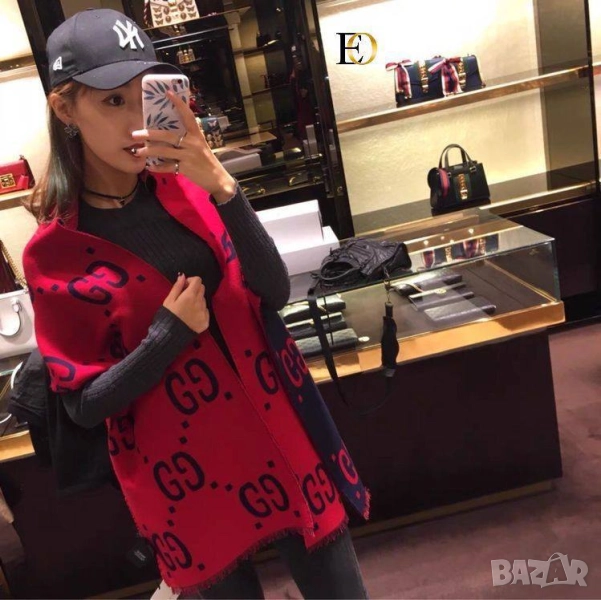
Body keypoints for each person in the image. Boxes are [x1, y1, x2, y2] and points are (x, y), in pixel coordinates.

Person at [22, 8, 370, 599]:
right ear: (65, 109)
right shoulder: (56, 252)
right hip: (184, 474)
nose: (137, 120)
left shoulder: (185, 185)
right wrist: (167, 335)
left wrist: (224, 187)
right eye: (113, 101)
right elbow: (84, 403)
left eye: (145, 95)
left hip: (277, 427)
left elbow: (273, 292)